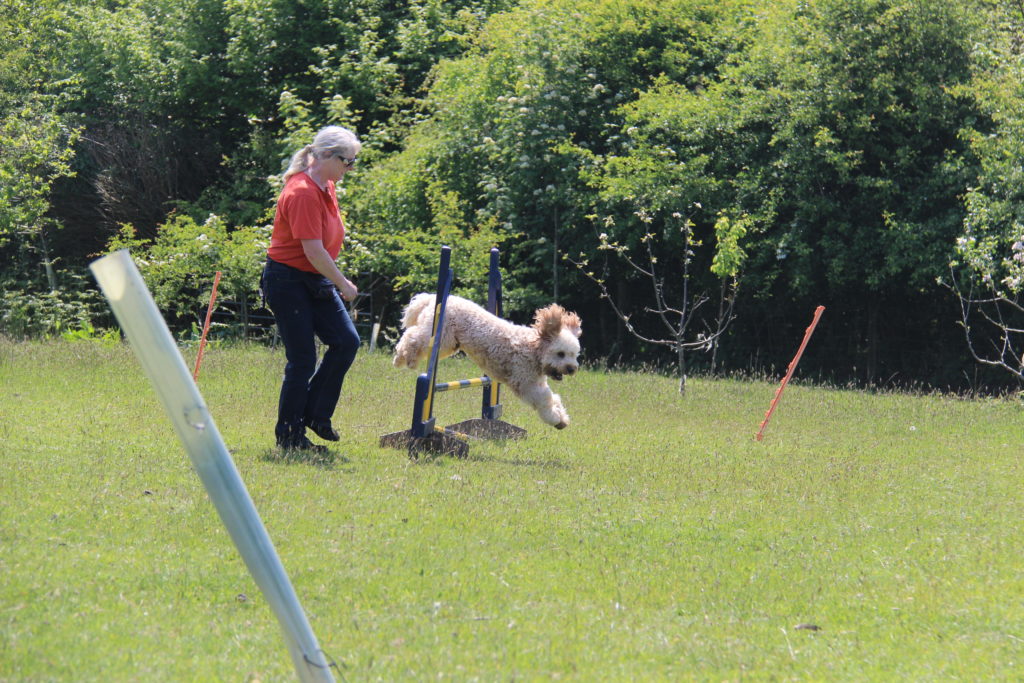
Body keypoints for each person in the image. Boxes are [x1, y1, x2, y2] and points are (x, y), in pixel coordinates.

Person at [261, 125, 362, 452]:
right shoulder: (302, 191)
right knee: (303, 360)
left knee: (346, 341)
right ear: (328, 156)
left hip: (313, 278)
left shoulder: (326, 185)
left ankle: (316, 416)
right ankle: (289, 437)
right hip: (289, 281)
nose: (350, 169)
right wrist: (342, 283)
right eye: (348, 162)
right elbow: (313, 251)